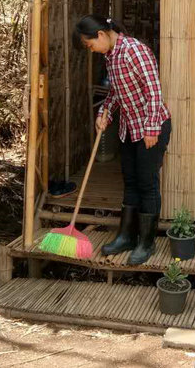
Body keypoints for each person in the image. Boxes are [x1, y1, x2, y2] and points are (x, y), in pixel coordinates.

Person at [73, 14, 171, 265]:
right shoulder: (111, 56)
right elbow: (117, 92)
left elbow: (154, 91)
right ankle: (126, 236)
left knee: (147, 183)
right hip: (129, 128)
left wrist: (152, 129)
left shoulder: (134, 51)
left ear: (101, 35)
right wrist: (104, 112)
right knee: (130, 181)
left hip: (150, 127)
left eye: (90, 44)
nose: (91, 50)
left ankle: (146, 243)